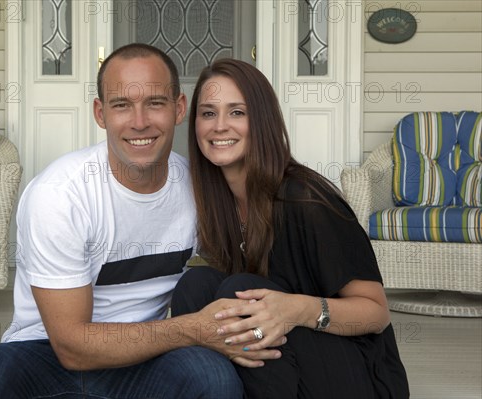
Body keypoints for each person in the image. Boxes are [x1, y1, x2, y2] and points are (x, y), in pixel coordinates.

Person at [0, 45, 280, 399]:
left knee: (212, 378)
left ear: (179, 109)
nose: (139, 121)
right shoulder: (60, 195)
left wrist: (305, 309)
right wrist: (194, 328)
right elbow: (72, 346)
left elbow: (245, 263)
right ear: (100, 113)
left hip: (144, 357)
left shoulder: (198, 187)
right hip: (45, 354)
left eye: (155, 103)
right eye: (122, 105)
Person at [171, 58, 410, 398]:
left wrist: (297, 309)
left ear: (263, 120)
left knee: (240, 291)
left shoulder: (307, 201)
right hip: (292, 368)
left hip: (357, 375)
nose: (220, 125)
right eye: (208, 113)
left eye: (237, 112)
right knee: (195, 286)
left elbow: (376, 313)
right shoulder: (217, 202)